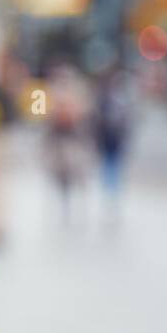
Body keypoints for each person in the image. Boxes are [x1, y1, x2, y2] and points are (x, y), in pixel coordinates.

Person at [43, 63, 92, 224]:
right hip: (59, 141)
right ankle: (66, 207)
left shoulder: (78, 93)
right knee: (62, 177)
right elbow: (44, 114)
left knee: (77, 174)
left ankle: (78, 207)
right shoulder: (51, 93)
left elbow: (85, 115)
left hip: (73, 140)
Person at [92, 65, 134, 222]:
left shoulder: (118, 102)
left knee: (112, 169)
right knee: (109, 169)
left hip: (114, 141)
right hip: (108, 141)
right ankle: (110, 195)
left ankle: (112, 195)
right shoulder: (104, 101)